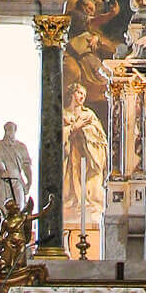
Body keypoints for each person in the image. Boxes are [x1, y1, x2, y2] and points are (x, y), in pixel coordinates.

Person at [62, 82, 109, 231]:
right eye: (79, 93)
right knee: (69, 183)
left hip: (87, 156)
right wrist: (73, 128)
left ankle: (88, 203)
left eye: (84, 94)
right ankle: (72, 203)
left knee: (89, 184)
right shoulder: (63, 114)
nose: (82, 97)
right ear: (72, 94)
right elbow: (58, 137)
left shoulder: (88, 115)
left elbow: (100, 137)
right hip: (69, 156)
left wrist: (84, 130)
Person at [0, 121, 31, 222]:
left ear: (15, 131)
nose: (9, 132)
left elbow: (27, 165)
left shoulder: (21, 147)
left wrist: (29, 181)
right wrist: (1, 169)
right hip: (2, 181)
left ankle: (18, 231)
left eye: (11, 130)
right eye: (7, 130)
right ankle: (1, 231)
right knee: (2, 211)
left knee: (20, 209)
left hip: (17, 181)